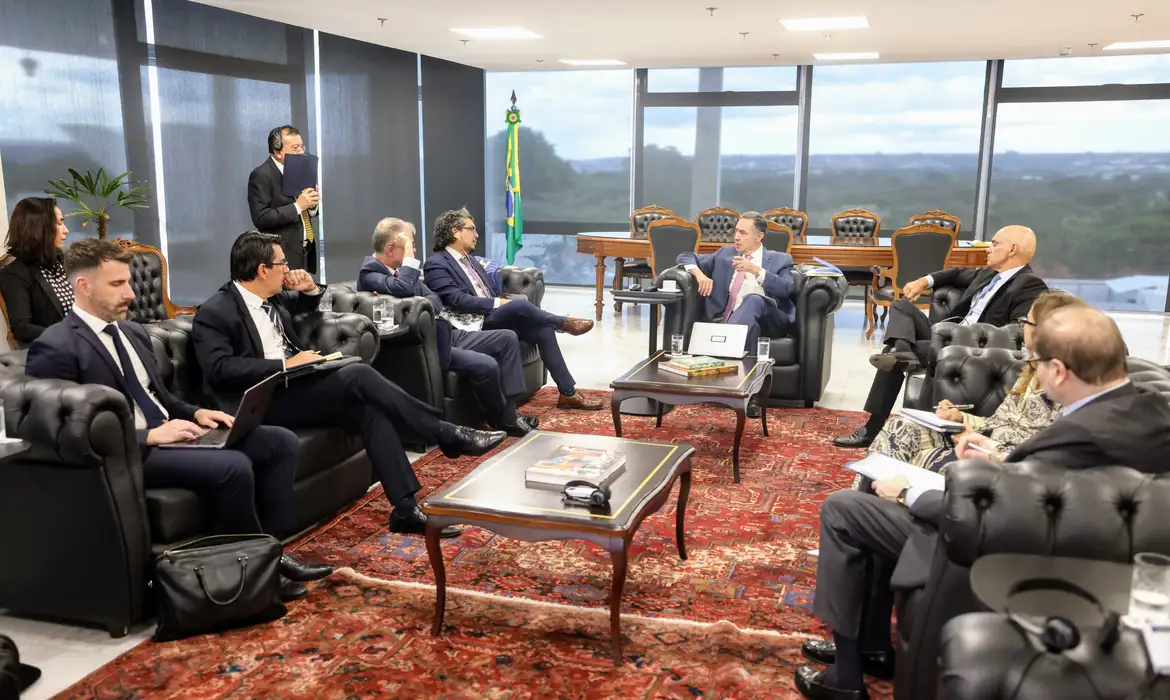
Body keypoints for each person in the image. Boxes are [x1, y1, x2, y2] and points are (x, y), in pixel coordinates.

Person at [796, 304, 1170, 700]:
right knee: (872, 505)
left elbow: (1016, 511)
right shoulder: (1144, 411)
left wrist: (908, 493)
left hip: (994, 553)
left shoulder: (1079, 436)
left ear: (1059, 371)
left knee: (845, 509)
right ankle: (870, 647)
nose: (1036, 373)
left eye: (1039, 364)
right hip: (1046, 542)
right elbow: (1053, 495)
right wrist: (999, 462)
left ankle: (845, 676)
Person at [25, 239, 330, 602]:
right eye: (117, 284)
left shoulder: (133, 332)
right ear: (83, 286)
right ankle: (257, 574)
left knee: (279, 443)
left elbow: (159, 397)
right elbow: (62, 431)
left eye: (128, 282)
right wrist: (148, 436)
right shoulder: (56, 346)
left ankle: (274, 552)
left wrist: (196, 412)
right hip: (131, 452)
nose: (130, 294)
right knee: (234, 467)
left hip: (172, 433)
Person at [191, 231, 507, 539]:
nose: (287, 269)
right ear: (262, 270)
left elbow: (306, 302)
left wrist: (310, 288)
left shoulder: (271, 298)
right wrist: (286, 365)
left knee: (368, 411)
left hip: (294, 387)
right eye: (282, 263)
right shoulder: (216, 311)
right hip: (259, 402)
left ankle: (405, 509)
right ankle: (444, 432)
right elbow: (220, 369)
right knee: (357, 374)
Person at [833, 225, 1049, 449]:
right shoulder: (989, 273)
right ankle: (903, 351)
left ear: (1012, 249)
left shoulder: (1029, 285)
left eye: (994, 244)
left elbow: (1016, 332)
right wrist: (922, 281)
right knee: (901, 305)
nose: (988, 249)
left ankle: (872, 427)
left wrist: (969, 337)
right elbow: (954, 273)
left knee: (890, 354)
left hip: (969, 348)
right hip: (944, 334)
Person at [862, 291, 1079, 474]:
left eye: (1026, 322)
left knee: (914, 456)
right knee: (901, 426)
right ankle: (867, 500)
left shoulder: (1067, 384)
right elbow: (996, 421)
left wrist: (983, 443)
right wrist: (960, 417)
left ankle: (882, 499)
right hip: (986, 437)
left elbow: (1049, 450)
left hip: (1006, 456)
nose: (1022, 327)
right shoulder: (1031, 369)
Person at [358, 218, 537, 436]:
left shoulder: (401, 274)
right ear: (390, 249)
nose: (414, 250)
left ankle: (509, 414)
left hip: (447, 332)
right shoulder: (371, 273)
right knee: (487, 365)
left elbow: (434, 299)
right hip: (429, 346)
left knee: (507, 338)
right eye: (410, 245)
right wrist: (410, 271)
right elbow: (404, 287)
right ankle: (506, 419)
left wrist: (424, 301)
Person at [423, 207, 602, 411]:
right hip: (471, 322)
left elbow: (491, 291)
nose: (476, 235)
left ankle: (568, 393)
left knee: (543, 330)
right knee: (518, 304)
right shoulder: (436, 264)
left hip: (492, 316)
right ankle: (562, 323)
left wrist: (500, 301)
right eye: (471, 229)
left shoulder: (472, 261)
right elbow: (456, 300)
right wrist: (499, 303)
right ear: (455, 232)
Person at [678, 210, 796, 417]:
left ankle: (725, 351)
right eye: (736, 231)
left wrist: (756, 270)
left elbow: (787, 289)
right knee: (752, 328)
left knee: (753, 299)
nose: (736, 237)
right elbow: (685, 256)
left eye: (743, 233)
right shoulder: (724, 254)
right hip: (737, 320)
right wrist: (699, 274)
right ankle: (751, 396)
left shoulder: (779, 259)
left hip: (771, 319)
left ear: (759, 237)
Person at [0, 197, 72, 346]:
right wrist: (68, 335)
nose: (66, 230)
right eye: (59, 223)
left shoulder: (61, 258)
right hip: (57, 347)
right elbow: (22, 328)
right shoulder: (14, 274)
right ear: (38, 228)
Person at [247, 125, 320, 273]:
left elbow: (305, 211)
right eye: (295, 148)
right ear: (278, 151)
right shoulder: (261, 175)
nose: (301, 152)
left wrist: (312, 205)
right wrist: (298, 206)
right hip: (281, 256)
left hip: (305, 250)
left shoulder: (299, 171)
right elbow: (261, 217)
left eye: (302, 147)